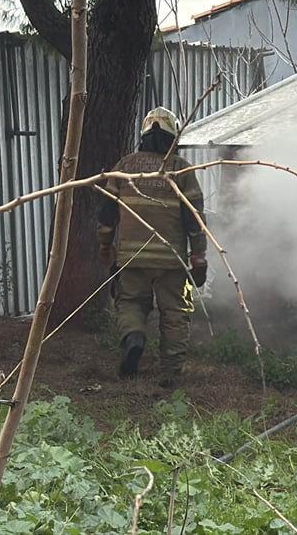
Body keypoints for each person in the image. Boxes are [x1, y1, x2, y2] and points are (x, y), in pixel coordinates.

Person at [96, 106, 208, 387]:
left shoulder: (124, 166)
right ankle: (170, 373)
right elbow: (194, 215)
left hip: (131, 258)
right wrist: (199, 255)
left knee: (131, 302)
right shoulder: (180, 168)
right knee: (175, 313)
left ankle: (134, 337)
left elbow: (107, 212)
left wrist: (105, 245)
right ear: (173, 137)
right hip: (171, 261)